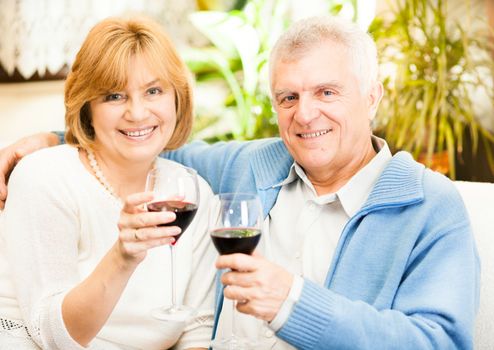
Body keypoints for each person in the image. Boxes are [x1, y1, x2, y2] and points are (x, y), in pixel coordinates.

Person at [0, 16, 480, 349]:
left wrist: (295, 303)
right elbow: (150, 143)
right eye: (288, 97)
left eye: (327, 92)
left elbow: (440, 342)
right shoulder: (253, 167)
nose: (305, 113)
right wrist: (55, 138)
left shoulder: (427, 204)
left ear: (372, 95)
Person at [0, 17, 216, 349]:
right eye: (114, 96)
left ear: (177, 98)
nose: (138, 112)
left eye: (153, 91)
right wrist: (122, 257)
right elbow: (52, 337)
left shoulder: (192, 191)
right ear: (87, 108)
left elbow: (197, 330)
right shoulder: (44, 178)